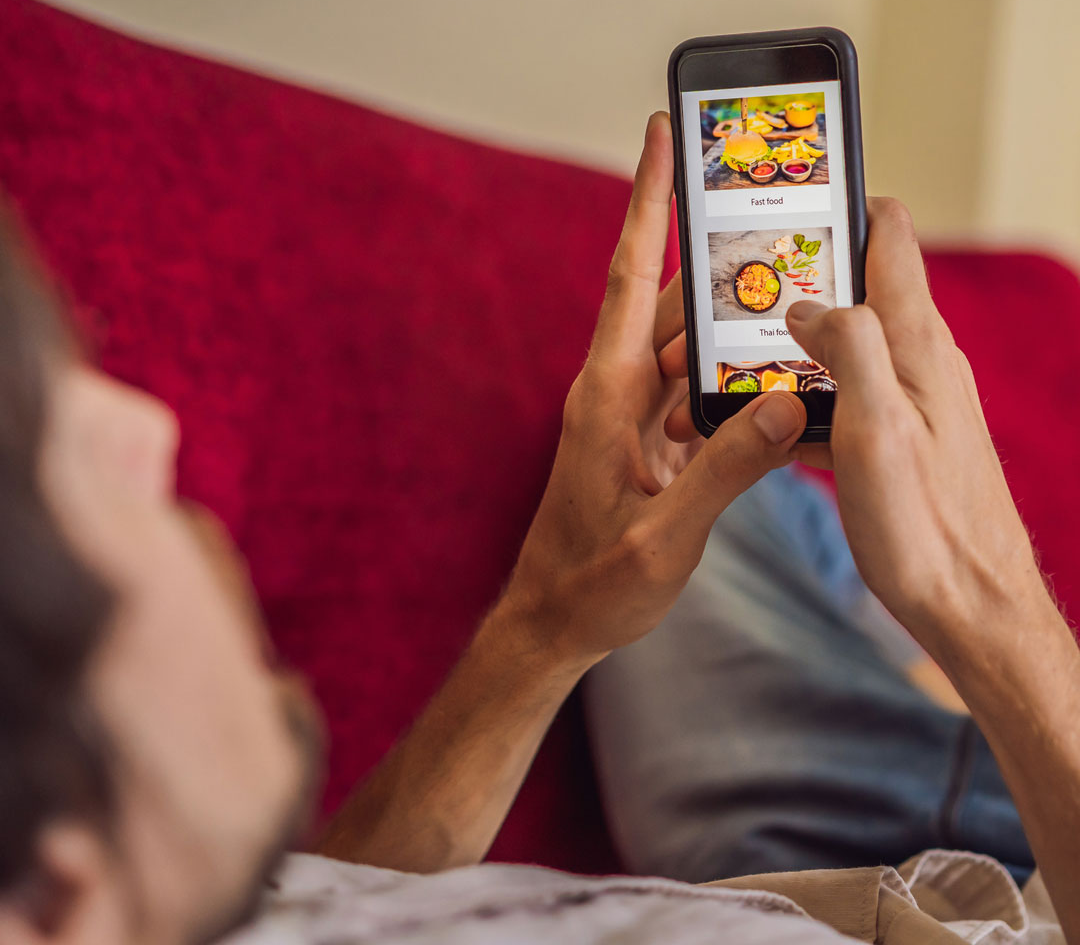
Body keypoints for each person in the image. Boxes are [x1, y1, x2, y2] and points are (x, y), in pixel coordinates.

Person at [0, 111, 1075, 945]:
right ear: (50, 893)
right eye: (51, 457)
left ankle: (933, 717)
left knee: (732, 497)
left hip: (855, 850)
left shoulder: (240, 901)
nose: (145, 427)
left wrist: (544, 627)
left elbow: (349, 905)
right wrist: (992, 611)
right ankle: (947, 718)